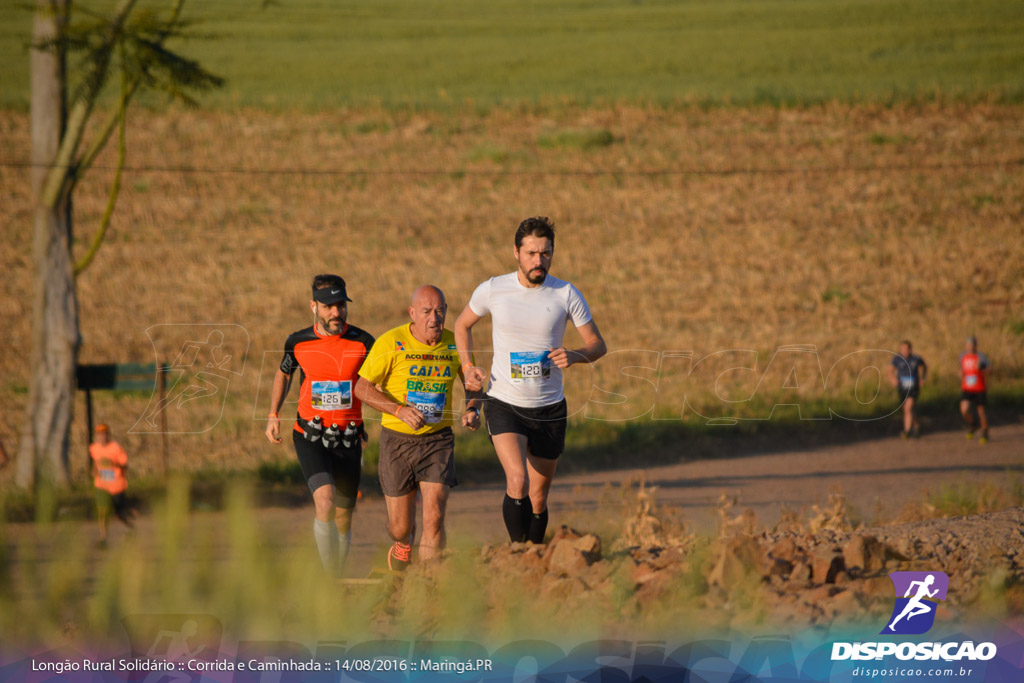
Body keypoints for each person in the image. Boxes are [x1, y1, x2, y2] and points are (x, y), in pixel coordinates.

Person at [455, 217, 606, 544]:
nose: (539, 261)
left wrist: (576, 355)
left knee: (538, 497)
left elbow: (598, 345)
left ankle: (534, 555)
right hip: (504, 402)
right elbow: (462, 325)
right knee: (517, 481)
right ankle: (517, 553)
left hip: (549, 408)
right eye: (532, 253)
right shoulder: (494, 288)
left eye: (546, 253)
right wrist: (468, 367)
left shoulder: (566, 293)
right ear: (516, 253)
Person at [355, 285, 482, 572]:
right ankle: (402, 542)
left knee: (434, 516)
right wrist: (399, 410)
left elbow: (473, 384)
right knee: (400, 527)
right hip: (397, 442)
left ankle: (429, 584)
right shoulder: (391, 342)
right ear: (413, 313)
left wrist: (474, 408)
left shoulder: (454, 344)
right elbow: (361, 387)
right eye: (427, 312)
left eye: (440, 311)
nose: (434, 318)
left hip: (438, 440)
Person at [265, 274, 374, 576]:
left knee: (344, 514)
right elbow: (284, 374)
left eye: (340, 306)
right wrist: (273, 414)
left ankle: (337, 571)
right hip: (309, 435)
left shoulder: (365, 342)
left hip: (349, 438)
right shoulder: (298, 341)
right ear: (313, 306)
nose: (336, 313)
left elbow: (378, 383)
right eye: (328, 307)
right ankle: (330, 579)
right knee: (324, 501)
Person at [89, 423, 134, 544]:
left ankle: (129, 528)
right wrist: (93, 471)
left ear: (108, 435)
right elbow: (95, 462)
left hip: (117, 486)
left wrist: (114, 464)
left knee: (118, 514)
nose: (102, 436)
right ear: (97, 436)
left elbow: (125, 466)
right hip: (101, 485)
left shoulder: (116, 448)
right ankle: (103, 538)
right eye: (99, 434)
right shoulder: (94, 448)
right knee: (102, 511)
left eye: (104, 434)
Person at [888, 340, 927, 438]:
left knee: (908, 407)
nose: (904, 351)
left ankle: (907, 431)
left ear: (910, 349)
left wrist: (923, 378)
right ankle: (917, 426)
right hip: (902, 388)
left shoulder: (916, 359)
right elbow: (890, 370)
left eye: (906, 349)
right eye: (902, 349)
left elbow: (924, 366)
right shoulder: (897, 359)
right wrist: (893, 379)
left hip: (914, 387)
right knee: (906, 409)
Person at [959, 336, 990, 444]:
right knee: (964, 410)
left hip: (979, 388)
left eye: (972, 345)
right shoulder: (962, 356)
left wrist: (981, 369)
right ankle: (973, 425)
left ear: (976, 346)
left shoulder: (981, 357)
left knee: (981, 411)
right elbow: (961, 370)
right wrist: (961, 374)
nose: (970, 347)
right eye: (968, 345)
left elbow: (990, 371)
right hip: (967, 388)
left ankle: (985, 433)